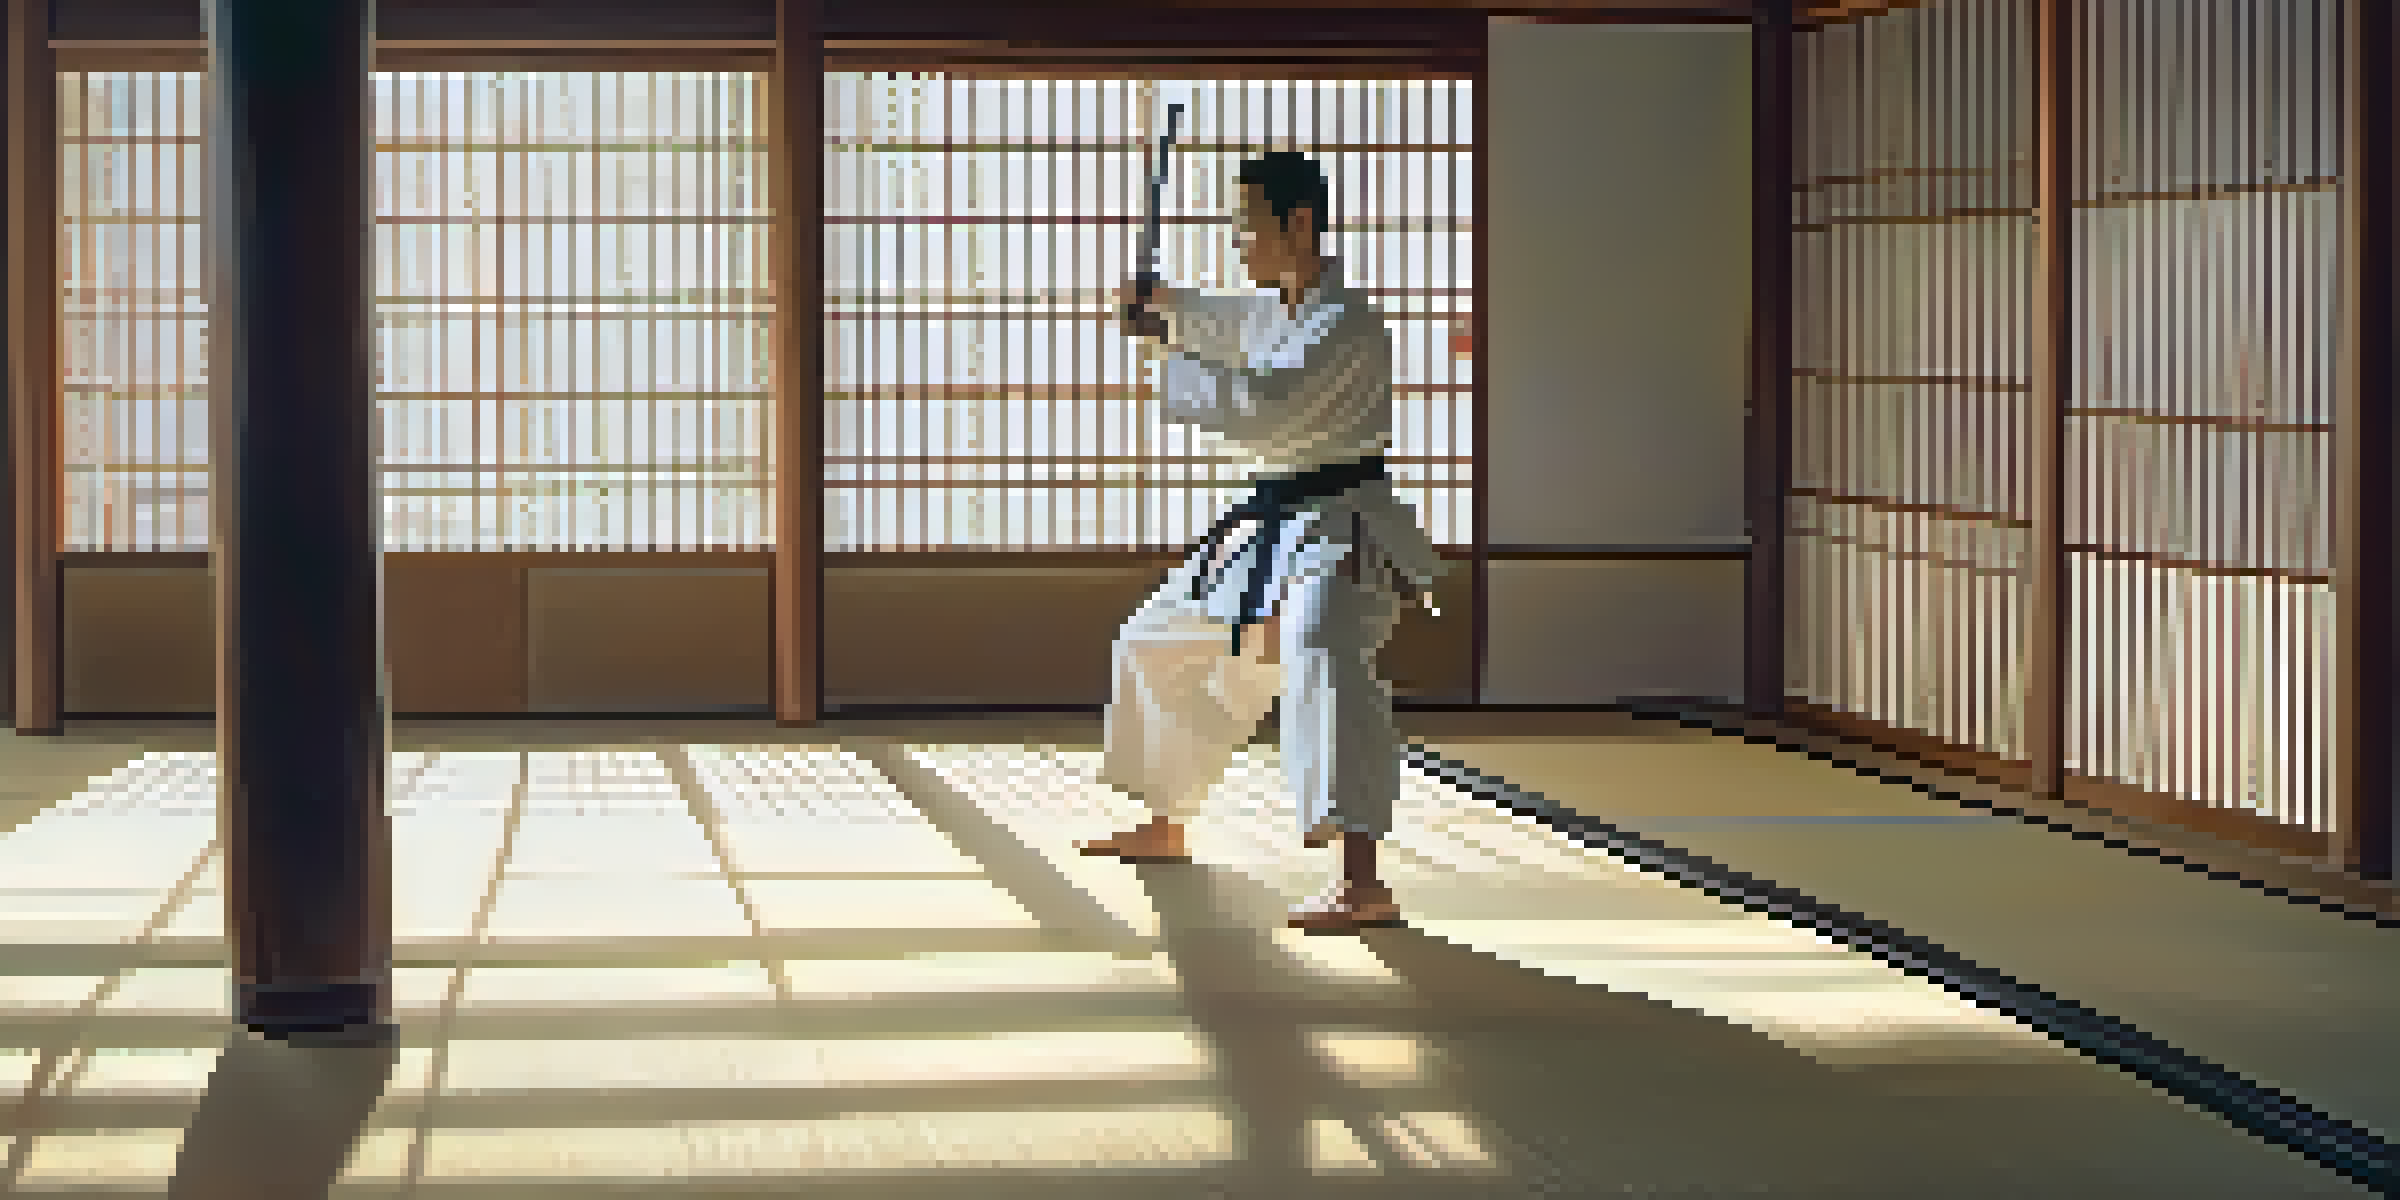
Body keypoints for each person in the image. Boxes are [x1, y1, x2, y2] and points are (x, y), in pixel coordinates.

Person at [1075, 151, 1450, 934]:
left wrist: (1162, 348)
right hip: (1273, 523)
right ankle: (1167, 817)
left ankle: (1359, 877)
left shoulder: (1345, 324)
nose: (1238, 239)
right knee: (1154, 639)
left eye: (1247, 224)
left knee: (1324, 658)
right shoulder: (1277, 308)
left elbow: (1266, 409)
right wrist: (1163, 304)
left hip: (1338, 525)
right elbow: (1220, 319)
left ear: (1298, 223)